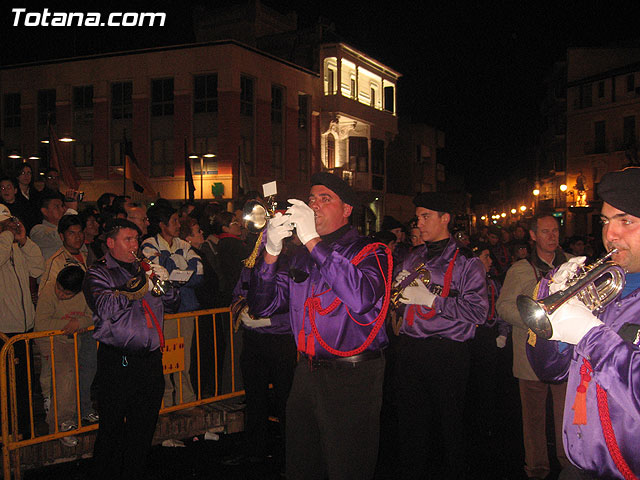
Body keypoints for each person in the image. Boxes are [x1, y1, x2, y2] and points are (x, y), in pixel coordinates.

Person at [246, 172, 391, 480]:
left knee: (347, 466)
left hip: (353, 375)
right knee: (302, 464)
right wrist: (271, 252)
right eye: (312, 199)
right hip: (307, 371)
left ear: (347, 209)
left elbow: (361, 297)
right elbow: (262, 306)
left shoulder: (372, 250)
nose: (314, 206)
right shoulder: (300, 257)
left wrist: (312, 240)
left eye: (326, 200)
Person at [526, 167, 640, 479]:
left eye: (625, 221)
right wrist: (556, 311)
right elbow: (549, 370)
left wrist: (591, 334)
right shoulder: (601, 285)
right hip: (579, 465)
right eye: (606, 221)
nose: (609, 235)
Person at [393, 192, 488, 479]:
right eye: (418, 217)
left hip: (447, 353)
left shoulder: (466, 263)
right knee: (411, 425)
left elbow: (479, 313)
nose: (419, 223)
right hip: (410, 350)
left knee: (450, 427)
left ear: (445, 218)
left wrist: (432, 301)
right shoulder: (414, 256)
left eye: (426, 217)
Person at [83, 218, 178, 480]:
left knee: (143, 429)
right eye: (128, 239)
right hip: (118, 361)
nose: (135, 245)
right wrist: (139, 285)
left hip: (150, 360)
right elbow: (104, 307)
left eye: (136, 239)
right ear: (111, 243)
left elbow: (173, 304)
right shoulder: (98, 272)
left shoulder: (144, 268)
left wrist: (165, 284)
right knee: (111, 429)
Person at [496, 213, 571, 480]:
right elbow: (503, 307)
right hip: (531, 358)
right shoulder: (521, 269)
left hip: (566, 356)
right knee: (534, 420)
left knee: (567, 419)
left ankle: (570, 462)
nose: (552, 236)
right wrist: (534, 319)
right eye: (545, 231)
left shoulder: (573, 265)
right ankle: (537, 468)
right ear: (533, 236)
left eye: (555, 231)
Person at [142, 205, 203, 407]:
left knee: (184, 361)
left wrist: (172, 270)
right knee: (165, 361)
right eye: (174, 221)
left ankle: (187, 400)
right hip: (163, 312)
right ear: (162, 224)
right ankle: (165, 403)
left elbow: (199, 273)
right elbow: (158, 274)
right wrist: (179, 270)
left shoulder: (183, 244)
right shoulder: (149, 245)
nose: (178, 225)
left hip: (185, 310)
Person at [35, 265, 92, 447]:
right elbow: (41, 323)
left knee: (80, 374)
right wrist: (71, 324)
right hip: (52, 339)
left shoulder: (87, 292)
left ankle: (71, 415)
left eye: (67, 294)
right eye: (59, 289)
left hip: (73, 339)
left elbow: (93, 315)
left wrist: (80, 322)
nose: (60, 294)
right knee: (65, 375)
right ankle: (62, 423)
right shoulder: (48, 291)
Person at [0, 204, 45, 438]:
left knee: (24, 384)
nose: (10, 228)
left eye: (10, 223)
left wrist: (24, 240)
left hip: (23, 328)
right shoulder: (3, 246)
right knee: (5, 387)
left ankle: (23, 430)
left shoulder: (14, 247)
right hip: (3, 331)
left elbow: (38, 267)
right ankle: (7, 432)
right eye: (4, 224)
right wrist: (7, 235)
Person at [30, 193, 68, 262]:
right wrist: (70, 214)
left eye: (62, 206)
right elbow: (61, 239)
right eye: (57, 206)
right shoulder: (38, 230)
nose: (62, 210)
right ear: (45, 211)